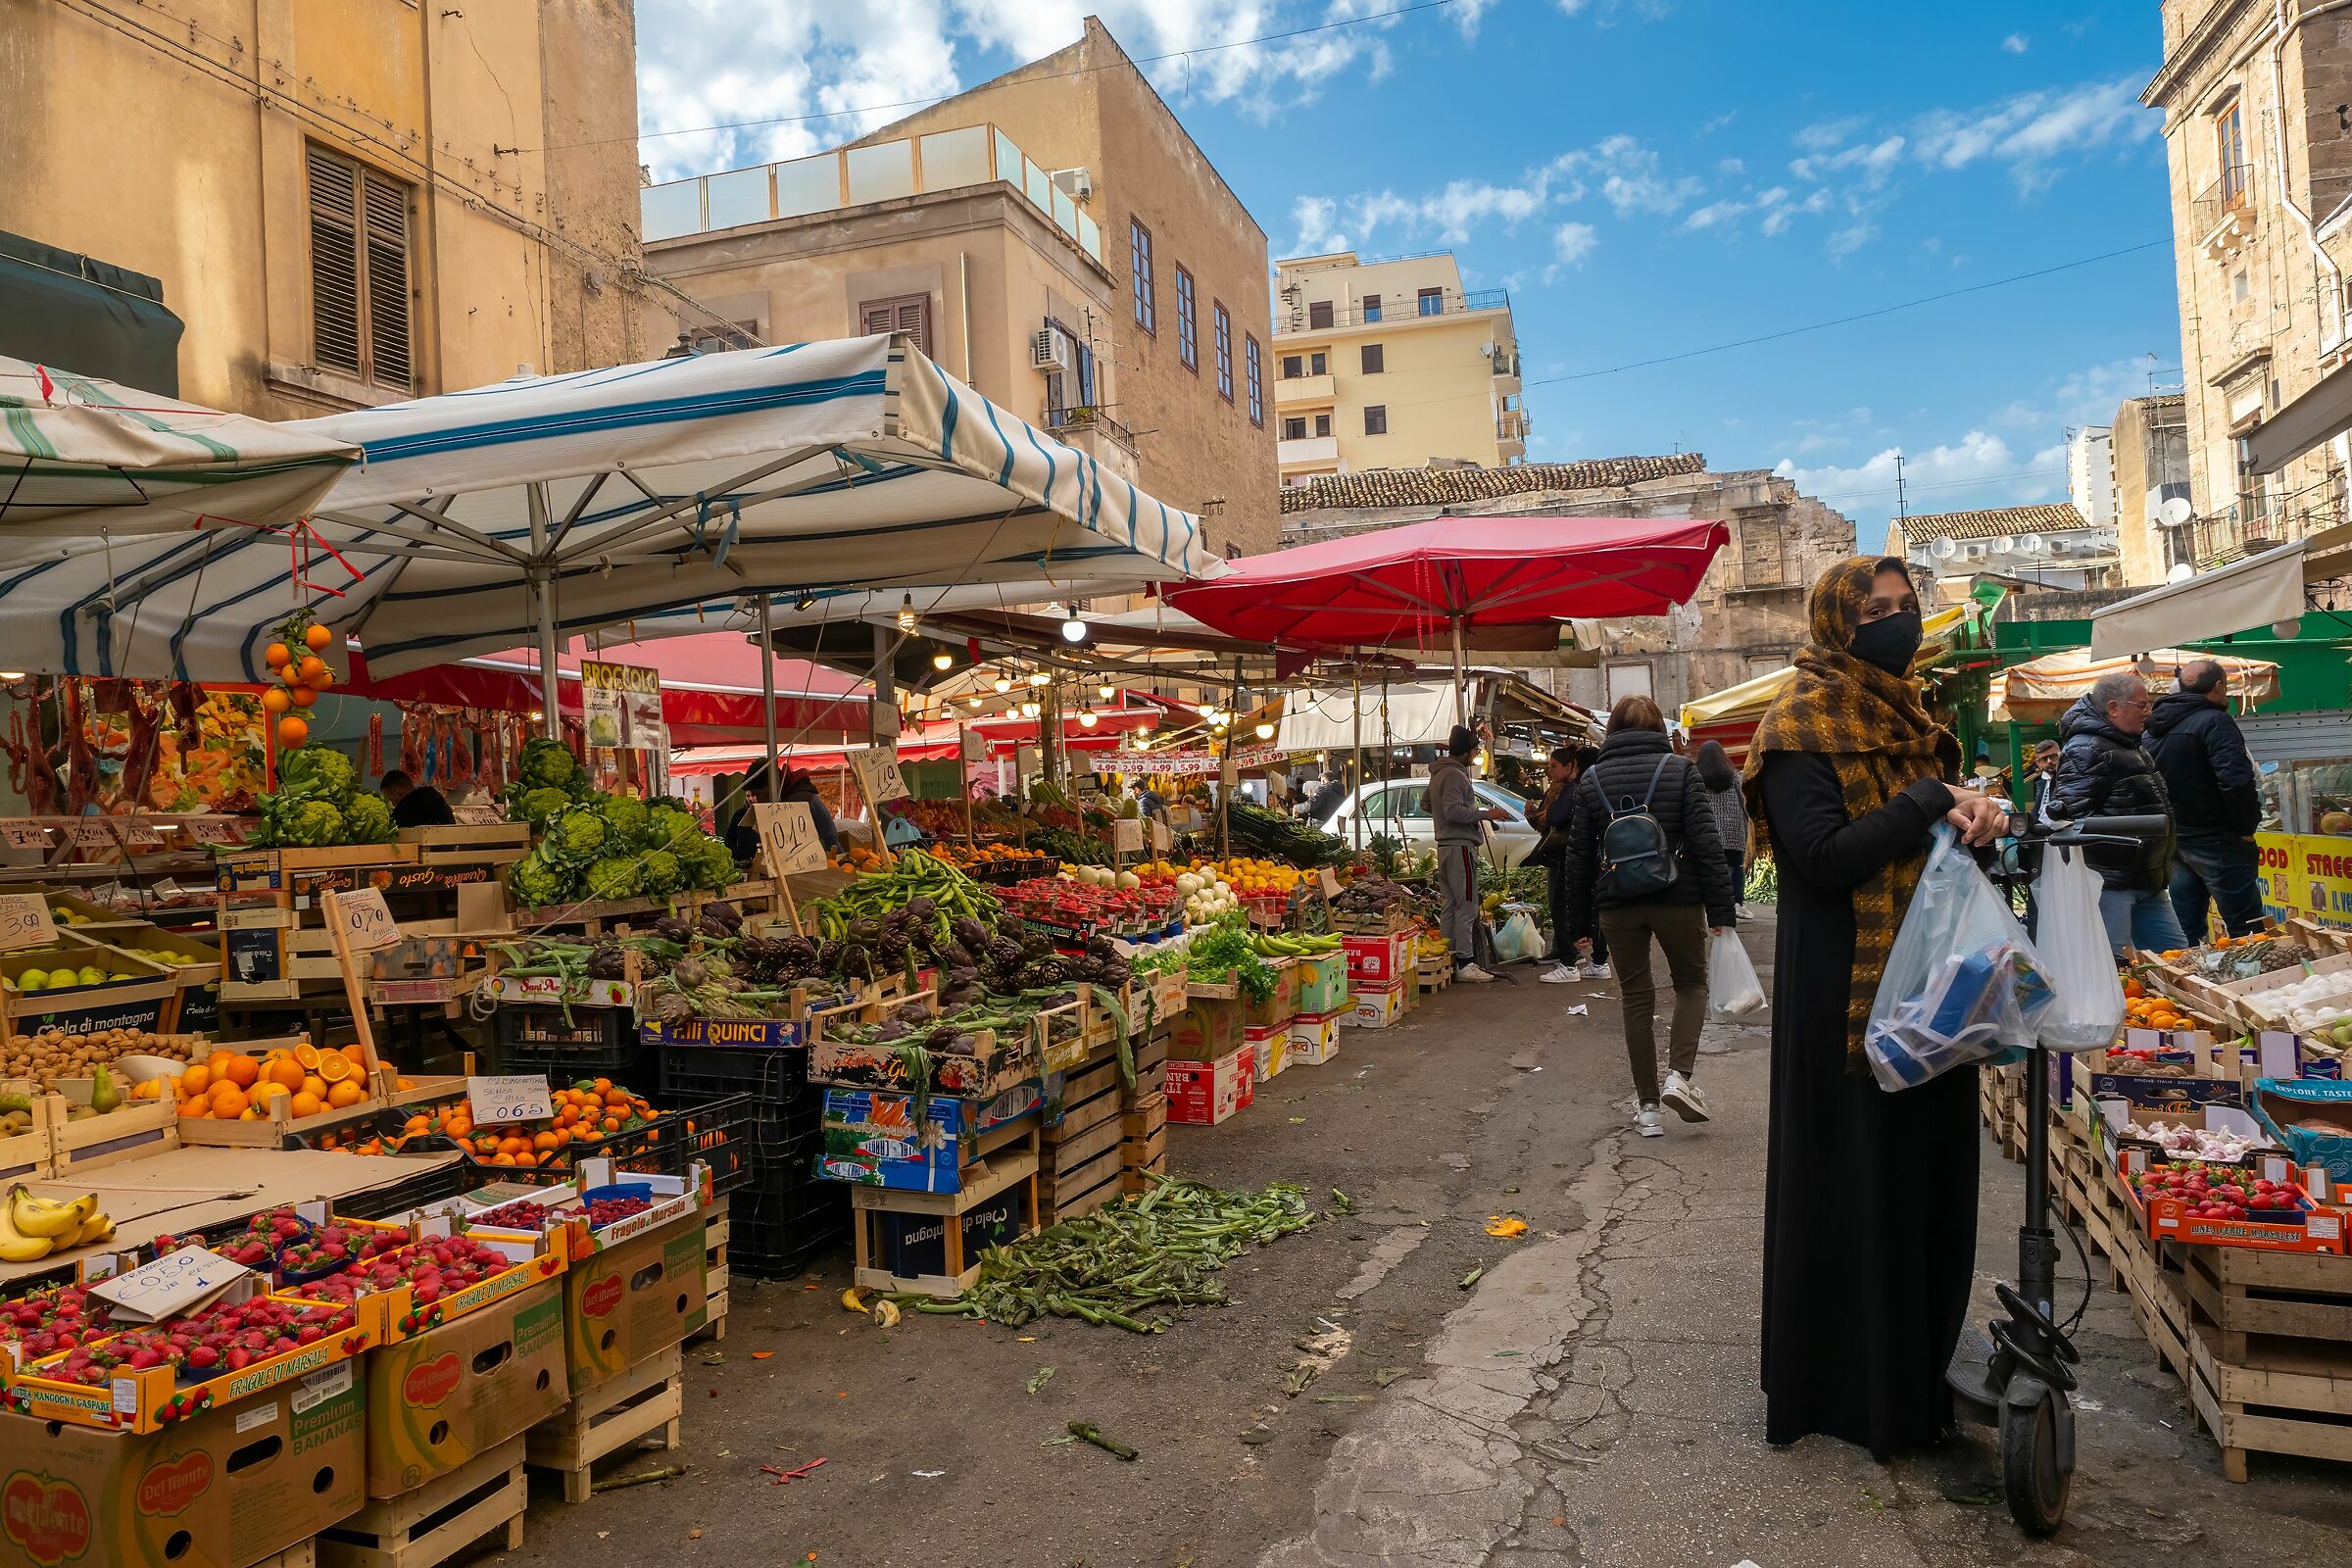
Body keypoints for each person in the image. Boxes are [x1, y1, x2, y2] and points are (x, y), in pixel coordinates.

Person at [1749, 555, 2009, 1460]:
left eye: (1905, 608)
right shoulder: (1797, 726)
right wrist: (1930, 797)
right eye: (1876, 611)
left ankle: (1919, 1373)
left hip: (1935, 990)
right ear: (1835, 623)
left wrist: (1977, 813)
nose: (1896, 624)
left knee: (1925, 1183)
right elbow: (1822, 858)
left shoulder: (1914, 719)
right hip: (1846, 996)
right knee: (1858, 1182)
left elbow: (1925, 831)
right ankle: (1853, 1393)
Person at [1561, 697, 1736, 1135]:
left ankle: (1649, 1110)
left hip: (1618, 903)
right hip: (1678, 897)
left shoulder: (1592, 778)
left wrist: (1577, 924)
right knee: (1691, 984)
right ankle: (1679, 1076)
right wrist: (1721, 910)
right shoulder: (1680, 770)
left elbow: (1578, 856)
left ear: (1613, 730)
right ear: (1659, 727)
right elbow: (1705, 842)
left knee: (1637, 997)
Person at [2053, 670, 2186, 956]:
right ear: (2113, 708)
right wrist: (2130, 845)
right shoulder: (2086, 749)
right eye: (2142, 705)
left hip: (2147, 879)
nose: (2147, 713)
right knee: (2117, 967)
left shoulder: (2128, 743)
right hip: (2113, 884)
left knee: (2177, 958)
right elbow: (2071, 822)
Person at [2148, 659, 2265, 939]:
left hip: (2175, 841)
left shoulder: (2153, 730)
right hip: (2217, 840)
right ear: (2218, 686)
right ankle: (2255, 981)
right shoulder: (2215, 722)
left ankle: (2191, 981)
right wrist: (2246, 827)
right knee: (2247, 930)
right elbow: (2236, 781)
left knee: (2187, 931)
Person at [1428, 722, 1512, 982]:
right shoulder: (1454, 774)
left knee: (1451, 905)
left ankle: (1447, 956)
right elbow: (1452, 810)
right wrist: (1486, 813)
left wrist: (1444, 817)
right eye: (1475, 750)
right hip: (1460, 846)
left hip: (1445, 846)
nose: (1476, 754)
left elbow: (1426, 803)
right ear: (1466, 751)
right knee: (1466, 905)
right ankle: (1465, 962)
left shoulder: (1439, 773)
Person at [722, 762, 842, 862]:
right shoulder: (800, 796)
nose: (756, 800)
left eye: (756, 794)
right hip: (827, 862)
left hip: (826, 865)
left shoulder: (796, 803)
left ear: (770, 787)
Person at [1693, 740, 1747, 912]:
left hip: (1708, 830)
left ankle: (1713, 904)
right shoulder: (1735, 777)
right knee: (1736, 867)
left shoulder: (1696, 779)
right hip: (1734, 831)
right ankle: (1737, 903)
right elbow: (1744, 803)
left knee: (1712, 870)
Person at [378, 769, 453, 829]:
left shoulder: (404, 810)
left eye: (387, 797)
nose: (389, 802)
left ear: (396, 791)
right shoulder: (433, 795)